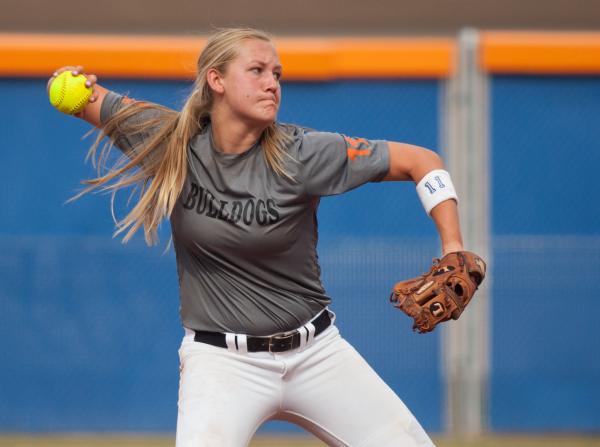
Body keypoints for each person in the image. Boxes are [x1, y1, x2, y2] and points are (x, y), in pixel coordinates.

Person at [49, 27, 464, 447]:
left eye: (277, 74)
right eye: (257, 70)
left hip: (315, 353)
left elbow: (422, 162)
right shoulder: (169, 139)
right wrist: (64, 82)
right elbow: (78, 94)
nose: (272, 83)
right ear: (217, 80)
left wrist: (453, 246)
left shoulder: (302, 153)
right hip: (221, 362)